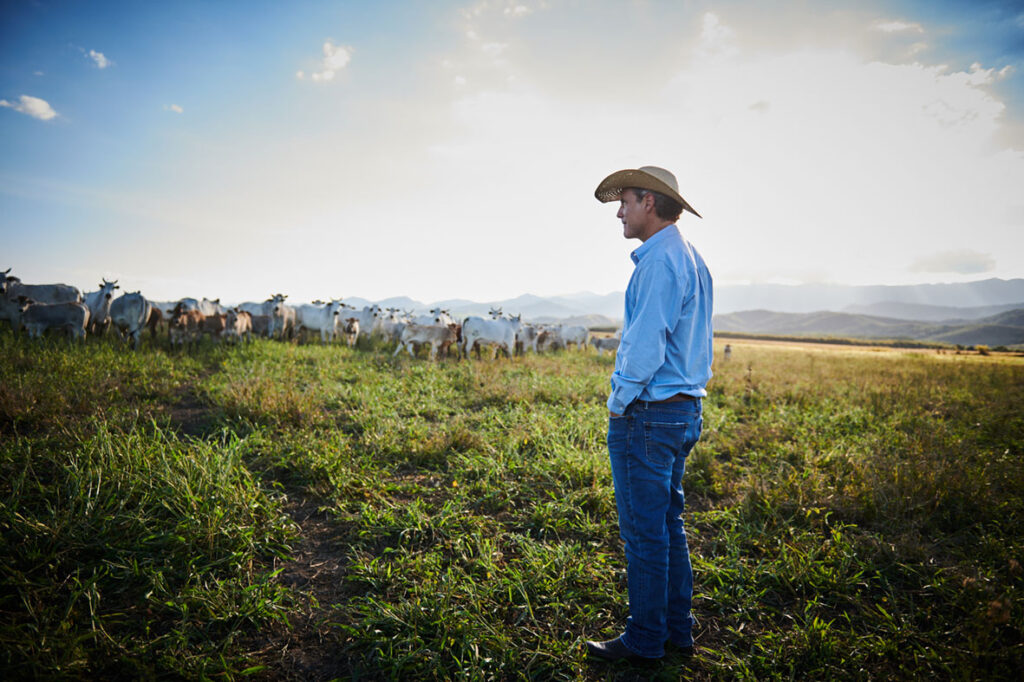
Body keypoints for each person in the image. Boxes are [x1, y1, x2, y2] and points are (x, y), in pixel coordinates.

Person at [585, 165, 713, 663]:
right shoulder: (691, 259)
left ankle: (644, 641)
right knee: (666, 523)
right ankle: (676, 631)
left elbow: (645, 345)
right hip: (682, 409)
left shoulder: (660, 262)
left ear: (650, 203)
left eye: (626, 201)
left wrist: (619, 402)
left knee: (643, 530)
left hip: (649, 412)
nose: (619, 211)